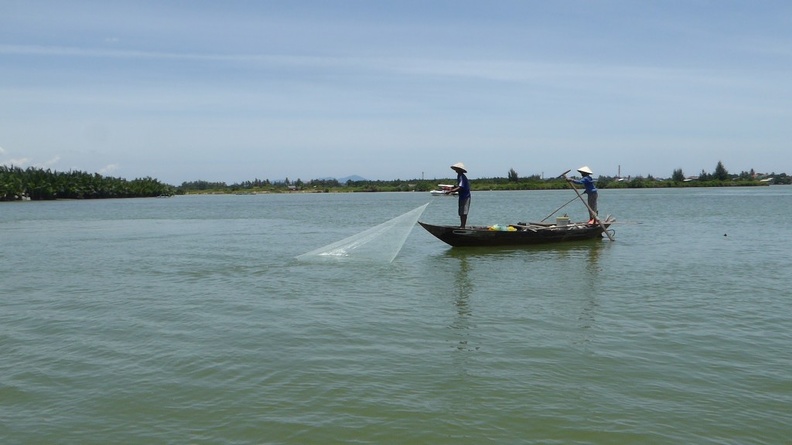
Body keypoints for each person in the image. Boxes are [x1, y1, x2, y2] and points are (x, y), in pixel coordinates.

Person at [447, 162, 471, 228]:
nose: (455, 170)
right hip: (462, 196)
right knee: (461, 212)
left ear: (460, 169)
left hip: (465, 197)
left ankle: (462, 226)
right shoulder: (459, 176)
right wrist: (451, 188)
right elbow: (458, 186)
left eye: (457, 169)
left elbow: (461, 187)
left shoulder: (462, 176)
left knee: (464, 212)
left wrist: (451, 191)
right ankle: (462, 225)